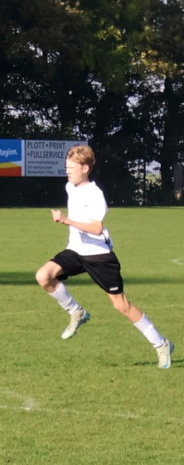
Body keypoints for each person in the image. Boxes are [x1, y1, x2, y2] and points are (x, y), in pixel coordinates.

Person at [34, 144, 173, 368]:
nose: (67, 171)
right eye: (66, 166)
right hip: (76, 251)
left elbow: (97, 228)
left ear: (86, 168)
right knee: (43, 276)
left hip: (99, 256)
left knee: (122, 306)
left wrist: (66, 220)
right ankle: (76, 312)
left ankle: (161, 344)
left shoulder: (96, 195)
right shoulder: (71, 186)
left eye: (71, 167)